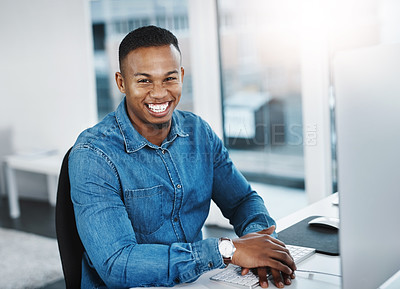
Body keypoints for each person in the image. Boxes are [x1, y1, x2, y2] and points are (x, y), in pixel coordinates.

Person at [69, 25, 296, 289]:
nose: (159, 93)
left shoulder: (198, 132)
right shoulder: (93, 155)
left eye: (169, 78)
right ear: (121, 82)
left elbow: (242, 200)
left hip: (195, 280)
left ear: (182, 76)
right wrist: (226, 251)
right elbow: (117, 264)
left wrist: (262, 245)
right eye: (144, 80)